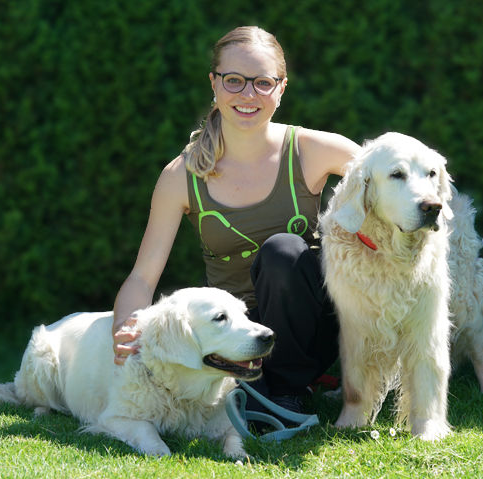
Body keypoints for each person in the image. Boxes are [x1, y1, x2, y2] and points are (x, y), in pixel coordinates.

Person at [112, 26, 361, 415]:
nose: (248, 95)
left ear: (281, 88)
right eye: (234, 81)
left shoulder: (315, 150)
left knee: (284, 251)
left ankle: (283, 393)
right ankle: (259, 391)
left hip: (312, 329)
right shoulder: (181, 176)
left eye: (263, 83)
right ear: (214, 83)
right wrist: (126, 329)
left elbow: (391, 181)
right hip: (233, 337)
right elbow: (143, 277)